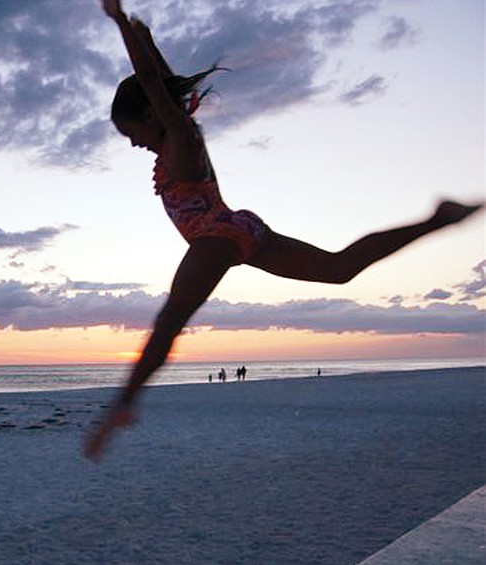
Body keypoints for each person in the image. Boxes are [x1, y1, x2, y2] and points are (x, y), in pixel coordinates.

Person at [84, 0, 482, 461]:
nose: (133, 142)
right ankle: (438, 219)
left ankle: (121, 407)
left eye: (131, 132)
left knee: (169, 322)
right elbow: (162, 90)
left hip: (215, 236)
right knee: (338, 269)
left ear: (153, 117)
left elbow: (154, 87)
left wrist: (119, 23)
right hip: (241, 226)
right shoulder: (183, 131)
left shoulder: (181, 140)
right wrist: (149, 43)